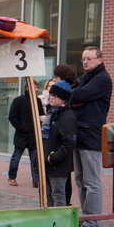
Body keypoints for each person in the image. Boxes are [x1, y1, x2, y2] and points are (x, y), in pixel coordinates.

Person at [71, 46, 113, 227]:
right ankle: (87, 217)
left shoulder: (101, 79)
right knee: (80, 180)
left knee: (91, 181)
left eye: (89, 58)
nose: (85, 62)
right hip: (80, 133)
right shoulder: (87, 78)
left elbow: (77, 95)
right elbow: (75, 96)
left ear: (99, 60)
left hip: (91, 134)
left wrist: (74, 98)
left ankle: (93, 221)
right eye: (83, 59)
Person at [42, 79, 77, 207]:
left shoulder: (67, 117)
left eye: (55, 96)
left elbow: (69, 143)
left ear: (63, 99)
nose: (51, 98)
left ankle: (58, 223)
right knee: (48, 195)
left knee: (57, 194)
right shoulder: (52, 114)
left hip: (58, 163)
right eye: (51, 95)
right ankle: (50, 222)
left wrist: (54, 157)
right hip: (47, 161)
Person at [7, 79, 45, 188]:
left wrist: (39, 127)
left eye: (37, 87)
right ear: (27, 88)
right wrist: (20, 127)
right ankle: (12, 177)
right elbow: (12, 116)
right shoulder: (18, 101)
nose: (36, 89)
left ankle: (36, 180)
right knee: (16, 157)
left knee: (35, 160)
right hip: (21, 135)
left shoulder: (37, 101)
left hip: (34, 135)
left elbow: (41, 115)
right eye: (34, 87)